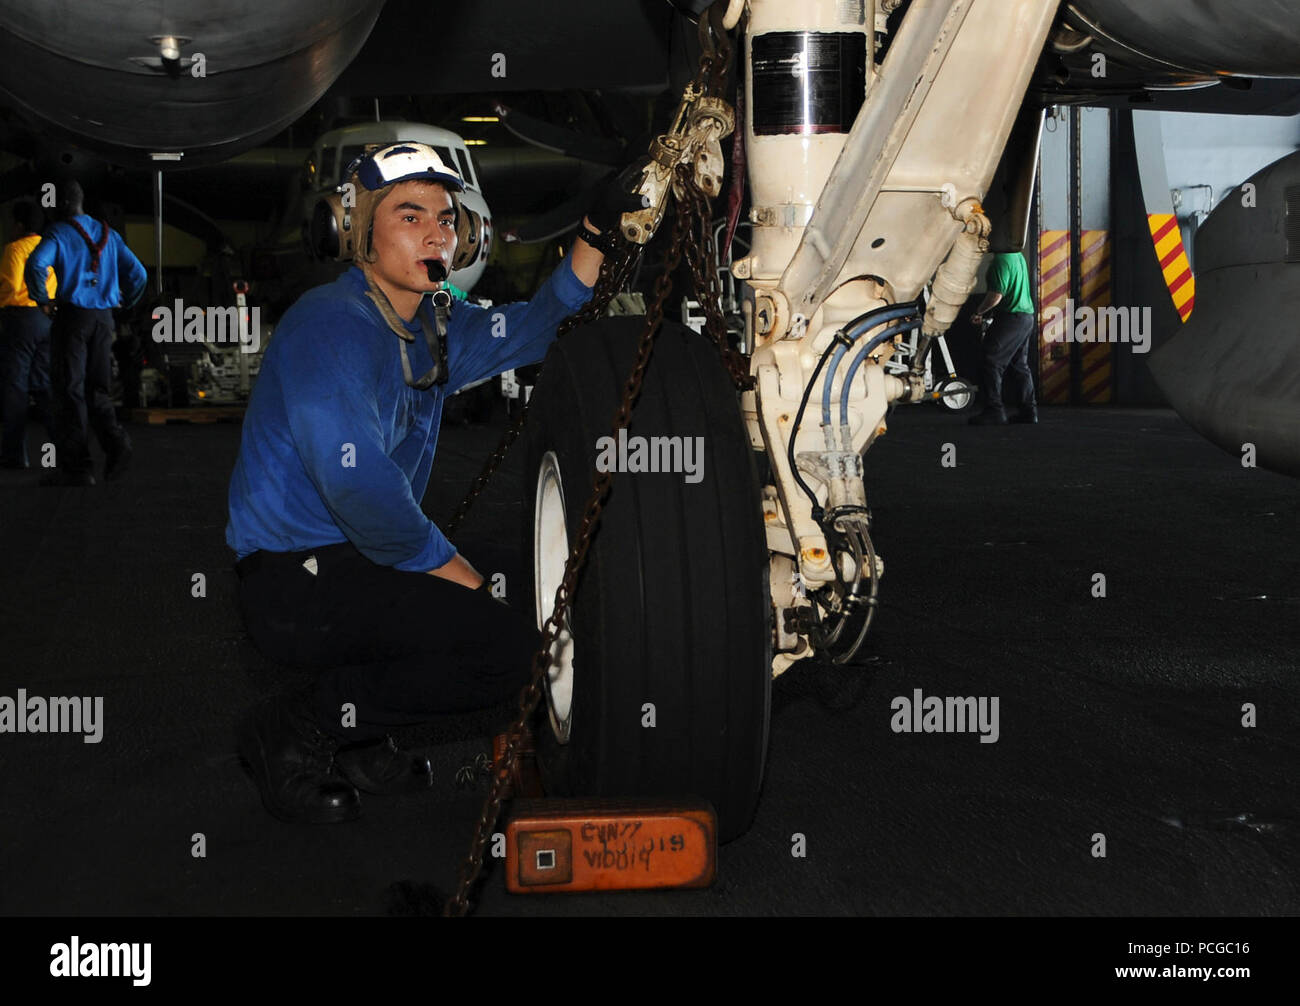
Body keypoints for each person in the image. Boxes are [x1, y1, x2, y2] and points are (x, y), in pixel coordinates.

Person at [227, 141, 618, 823]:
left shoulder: (432, 324)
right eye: (411, 216)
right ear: (355, 235)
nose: (438, 231)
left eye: (446, 218)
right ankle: (301, 729)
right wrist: (461, 577)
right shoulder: (330, 327)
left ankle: (359, 731)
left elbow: (533, 329)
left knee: (549, 585)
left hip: (364, 560)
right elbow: (362, 492)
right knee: (510, 649)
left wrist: (594, 234)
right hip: (294, 580)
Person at [26, 180, 147, 484]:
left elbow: (36, 265)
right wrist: (125, 303)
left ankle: (77, 468)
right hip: (103, 320)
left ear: (63, 204)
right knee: (98, 389)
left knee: (70, 390)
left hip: (73, 319)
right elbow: (139, 274)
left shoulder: (59, 232)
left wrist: (44, 300)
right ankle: (116, 443)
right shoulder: (109, 234)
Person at [0, 201, 56, 469]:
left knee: (15, 387)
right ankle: (62, 446)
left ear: (19, 225)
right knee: (43, 383)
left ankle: (14, 455)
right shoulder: (50, 248)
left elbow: (10, 287)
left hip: (20, 319)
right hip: (46, 319)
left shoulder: (14, 249)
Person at [968, 250, 1037, 425]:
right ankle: (1029, 411)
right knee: (1019, 365)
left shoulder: (1000, 261)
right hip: (1026, 317)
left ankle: (994, 411)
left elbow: (995, 296)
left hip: (1011, 318)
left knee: (990, 361)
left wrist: (978, 312)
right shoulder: (1018, 255)